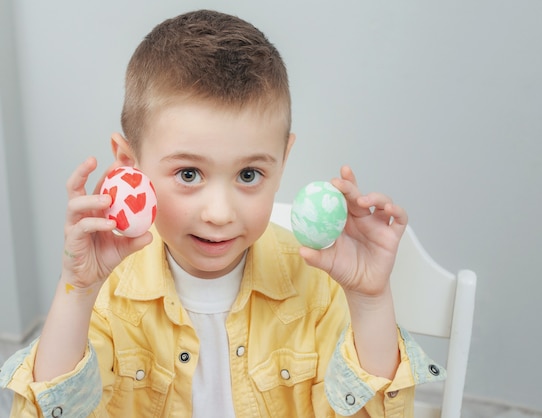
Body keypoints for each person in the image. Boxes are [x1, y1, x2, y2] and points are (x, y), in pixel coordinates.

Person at [0, 9, 445, 417]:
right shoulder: (108, 293)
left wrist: (369, 301)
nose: (219, 213)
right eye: (189, 174)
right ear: (128, 165)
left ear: (283, 159)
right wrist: (76, 292)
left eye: (249, 174)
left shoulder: (319, 288)